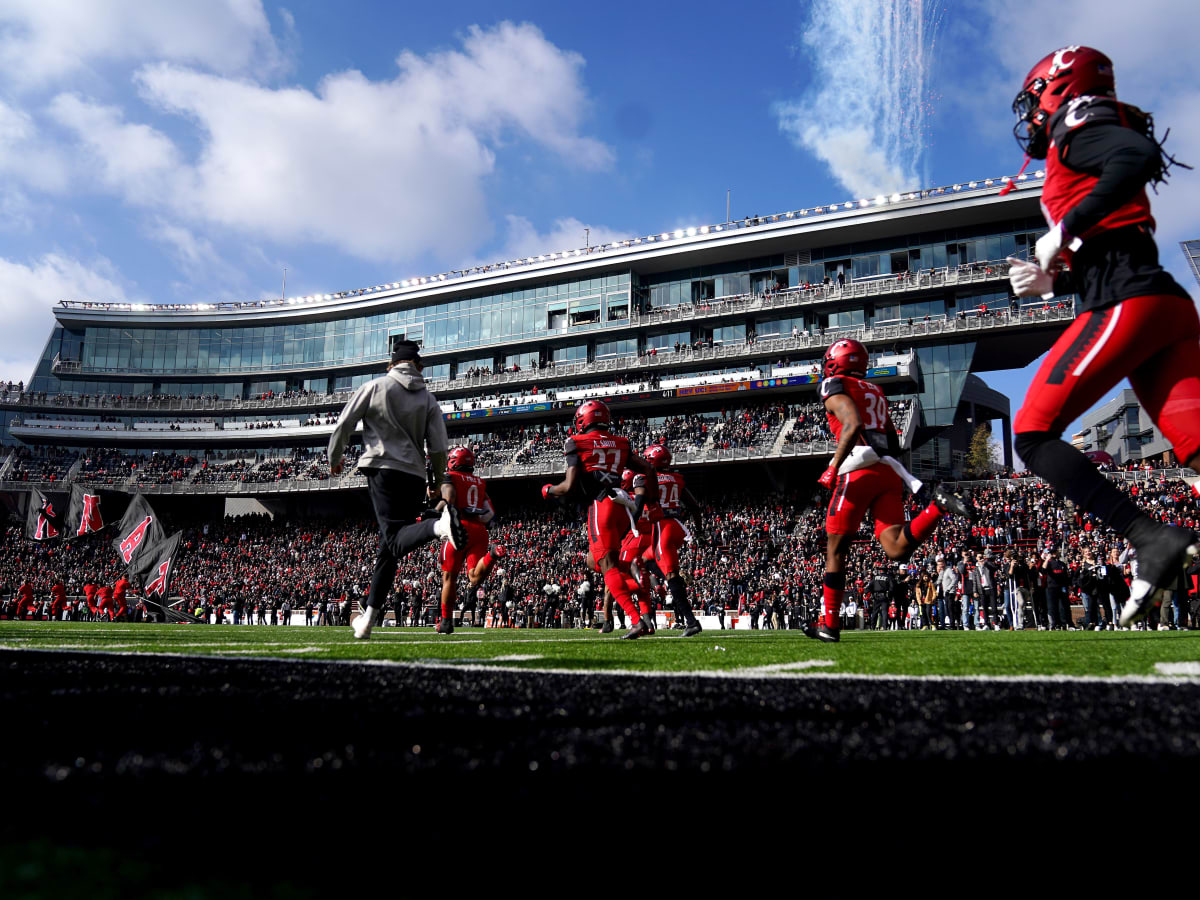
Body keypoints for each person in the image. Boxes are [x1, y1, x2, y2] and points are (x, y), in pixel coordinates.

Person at [1005, 46, 1200, 626]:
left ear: (1056, 89)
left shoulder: (1077, 121)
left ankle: (1147, 536)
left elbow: (1135, 156)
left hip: (1128, 299)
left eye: (1036, 100)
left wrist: (1065, 228)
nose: (1033, 116)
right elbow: (1117, 220)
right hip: (1161, 302)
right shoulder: (1085, 130)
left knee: (1033, 434)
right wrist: (1057, 272)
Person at [807, 338, 971, 642]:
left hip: (856, 470)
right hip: (887, 471)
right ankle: (937, 506)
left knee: (835, 549)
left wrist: (832, 467)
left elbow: (852, 424)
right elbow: (893, 443)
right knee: (896, 547)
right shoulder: (876, 390)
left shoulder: (833, 384)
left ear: (835, 361)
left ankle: (829, 625)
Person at [329, 339, 466, 641]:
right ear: (418, 366)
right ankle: (368, 619)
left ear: (392, 364)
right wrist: (438, 480)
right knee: (388, 551)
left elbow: (344, 423)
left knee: (392, 538)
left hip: (383, 469)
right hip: (414, 476)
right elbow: (440, 447)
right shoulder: (428, 400)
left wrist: (335, 458)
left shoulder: (375, 387)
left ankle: (438, 526)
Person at [542, 399, 652, 639]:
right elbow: (648, 470)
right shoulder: (622, 442)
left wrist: (549, 490)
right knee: (600, 562)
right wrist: (652, 500)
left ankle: (636, 620)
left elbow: (569, 486)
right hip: (623, 504)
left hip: (601, 504)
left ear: (584, 419)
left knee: (607, 566)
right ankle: (638, 596)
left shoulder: (576, 441)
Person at [434, 446, 504, 635]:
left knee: (449, 577)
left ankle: (446, 622)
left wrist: (438, 509)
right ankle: (491, 555)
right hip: (480, 531)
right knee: (473, 577)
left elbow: (449, 497)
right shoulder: (480, 482)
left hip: (459, 527)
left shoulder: (451, 477)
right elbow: (489, 512)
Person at [641, 443, 703, 638]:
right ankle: (667, 580)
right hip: (676, 525)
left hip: (662, 527)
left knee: (671, 575)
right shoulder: (676, 478)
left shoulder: (648, 479)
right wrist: (699, 532)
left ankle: (691, 622)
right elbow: (695, 506)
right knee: (643, 559)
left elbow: (640, 503)